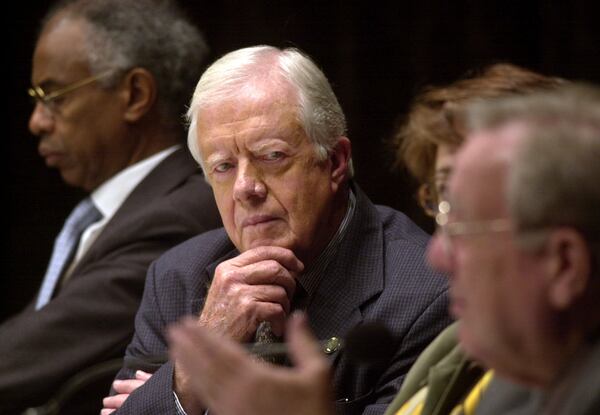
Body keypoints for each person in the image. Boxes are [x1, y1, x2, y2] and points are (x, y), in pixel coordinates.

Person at [165, 64, 571, 415]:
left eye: (273, 156)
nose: (438, 252)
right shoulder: (457, 354)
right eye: (441, 204)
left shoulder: (433, 305)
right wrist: (183, 384)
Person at [108, 45, 451, 415]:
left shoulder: (429, 294)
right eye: (223, 167)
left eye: (272, 157)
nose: (245, 188)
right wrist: (189, 375)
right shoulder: (175, 277)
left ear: (335, 162)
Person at [0, 0, 221, 413]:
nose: (36, 121)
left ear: (134, 94)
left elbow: (32, 355)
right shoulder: (107, 214)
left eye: (53, 96)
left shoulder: (179, 213)